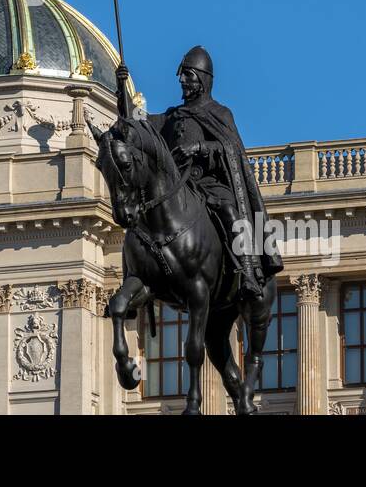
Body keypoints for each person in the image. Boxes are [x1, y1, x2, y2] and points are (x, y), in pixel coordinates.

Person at [115, 46, 282, 301]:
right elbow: (139, 121)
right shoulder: (171, 116)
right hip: (179, 186)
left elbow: (232, 149)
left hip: (209, 183)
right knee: (141, 224)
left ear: (203, 80)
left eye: (189, 75)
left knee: (228, 210)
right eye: (182, 75)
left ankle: (248, 270)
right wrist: (122, 87)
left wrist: (200, 148)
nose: (183, 80)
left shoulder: (219, 113)